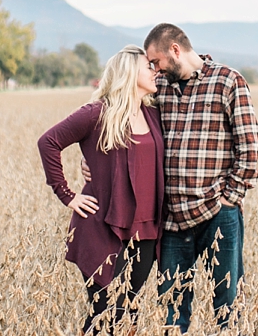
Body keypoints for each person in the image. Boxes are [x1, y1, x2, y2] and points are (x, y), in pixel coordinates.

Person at [84, 23, 258, 333]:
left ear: (175, 51)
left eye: (156, 61)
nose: (154, 68)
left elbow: (250, 148)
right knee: (173, 306)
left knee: (227, 303)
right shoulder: (159, 87)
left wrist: (227, 199)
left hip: (218, 215)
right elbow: (115, 115)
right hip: (171, 221)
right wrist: (93, 162)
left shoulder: (228, 81)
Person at [37, 45, 164, 335]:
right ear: (131, 73)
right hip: (102, 229)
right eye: (149, 67)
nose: (155, 72)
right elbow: (48, 142)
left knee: (130, 310)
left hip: (146, 232)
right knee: (104, 312)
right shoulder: (96, 114)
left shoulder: (154, 114)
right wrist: (67, 194)